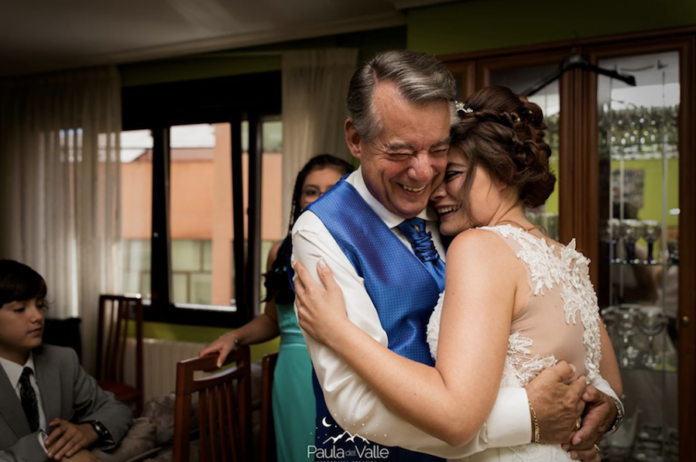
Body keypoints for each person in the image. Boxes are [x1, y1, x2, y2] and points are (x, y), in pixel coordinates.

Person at [290, 51, 623, 462]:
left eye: (440, 153)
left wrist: (600, 407)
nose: (425, 174)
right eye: (401, 151)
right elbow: (355, 404)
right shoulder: (322, 230)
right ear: (356, 139)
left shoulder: (467, 222)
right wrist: (528, 418)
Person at [199, 154, 354, 462]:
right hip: (293, 377)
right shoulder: (280, 251)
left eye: (333, 188)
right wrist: (235, 337)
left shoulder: (364, 248)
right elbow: (274, 318)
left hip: (347, 375)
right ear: (299, 198)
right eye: (311, 190)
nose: (321, 198)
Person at [0, 259, 132, 462]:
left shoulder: (62, 360)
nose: (37, 316)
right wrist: (49, 449)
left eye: (40, 304)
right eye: (20, 309)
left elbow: (116, 409)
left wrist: (90, 430)